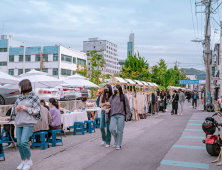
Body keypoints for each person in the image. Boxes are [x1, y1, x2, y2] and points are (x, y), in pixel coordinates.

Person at [9, 79, 41, 170]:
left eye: (20, 86)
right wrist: (17, 109)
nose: (19, 88)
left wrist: (26, 108)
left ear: (24, 86)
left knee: (24, 141)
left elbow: (37, 111)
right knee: (19, 143)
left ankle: (29, 161)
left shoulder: (34, 97)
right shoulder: (19, 97)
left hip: (29, 122)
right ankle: (23, 161)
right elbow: (14, 110)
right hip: (19, 122)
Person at [106, 85, 131, 150]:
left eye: (115, 89)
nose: (114, 90)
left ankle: (118, 144)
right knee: (111, 129)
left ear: (119, 89)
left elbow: (127, 107)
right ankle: (117, 140)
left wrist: (128, 116)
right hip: (113, 115)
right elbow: (108, 105)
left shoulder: (123, 96)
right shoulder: (112, 97)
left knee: (120, 131)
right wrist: (107, 109)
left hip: (121, 115)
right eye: (114, 89)